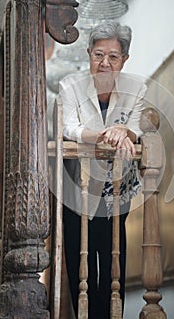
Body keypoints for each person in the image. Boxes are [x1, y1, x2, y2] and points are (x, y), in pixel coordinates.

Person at [59, 20, 147, 318]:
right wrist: (103, 136)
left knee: (112, 256)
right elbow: (69, 127)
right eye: (98, 55)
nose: (105, 63)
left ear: (124, 59)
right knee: (77, 256)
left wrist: (124, 130)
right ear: (88, 54)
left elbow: (136, 127)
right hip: (77, 190)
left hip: (115, 190)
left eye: (113, 56)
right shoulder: (70, 85)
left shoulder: (137, 88)